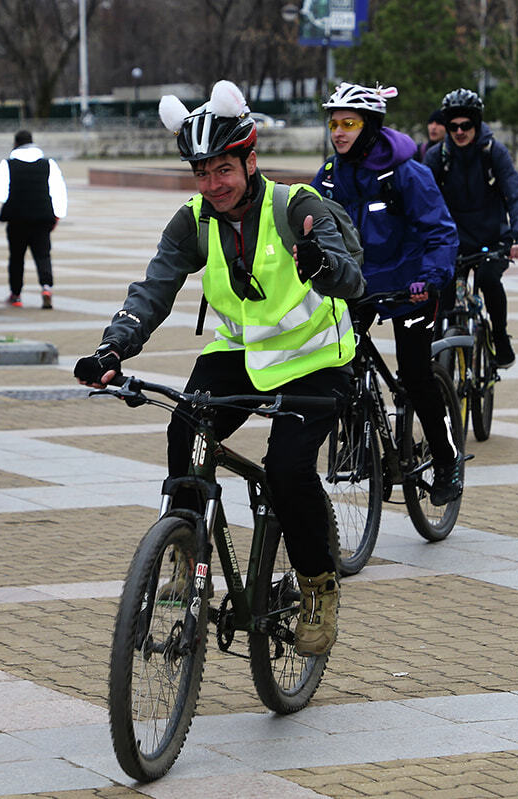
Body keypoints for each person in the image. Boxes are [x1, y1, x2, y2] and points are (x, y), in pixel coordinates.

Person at [74, 80, 364, 657]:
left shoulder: (297, 206)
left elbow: (352, 278)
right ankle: (184, 560)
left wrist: (322, 264)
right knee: (184, 428)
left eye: (222, 170)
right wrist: (113, 349)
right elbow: (153, 289)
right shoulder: (193, 220)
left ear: (250, 161)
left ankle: (317, 586)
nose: (212, 185)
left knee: (286, 469)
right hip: (240, 354)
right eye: (201, 173)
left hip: (312, 361)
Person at [311, 82, 462, 507]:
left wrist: (431, 278)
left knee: (415, 375)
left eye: (349, 123)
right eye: (334, 123)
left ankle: (446, 458)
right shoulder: (328, 176)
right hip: (357, 286)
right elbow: (304, 224)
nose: (338, 132)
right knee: (340, 362)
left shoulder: (406, 174)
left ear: (370, 126)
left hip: (410, 286)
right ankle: (356, 436)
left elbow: (440, 232)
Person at [424, 88, 518, 369]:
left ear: (477, 124)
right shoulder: (438, 157)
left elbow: (515, 193)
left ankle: (499, 337)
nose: (460, 132)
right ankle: (436, 358)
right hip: (452, 241)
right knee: (443, 294)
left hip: (491, 239)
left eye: (466, 125)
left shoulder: (493, 152)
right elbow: (420, 200)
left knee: (487, 280)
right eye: (453, 126)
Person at [0, 130, 67, 309]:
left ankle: (16, 295)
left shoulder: (7, 164)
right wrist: (58, 214)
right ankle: (46, 288)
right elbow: (58, 190)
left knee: (17, 257)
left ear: (15, 143)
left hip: (17, 219)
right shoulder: (49, 164)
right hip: (42, 218)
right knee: (43, 255)